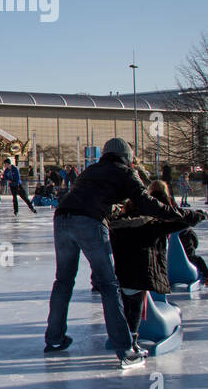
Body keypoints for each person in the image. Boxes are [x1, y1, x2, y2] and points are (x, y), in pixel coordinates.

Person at [43, 138, 169, 360]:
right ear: (127, 157)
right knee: (109, 284)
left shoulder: (91, 170)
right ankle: (125, 348)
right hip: (89, 221)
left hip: (62, 218)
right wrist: (175, 215)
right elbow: (144, 202)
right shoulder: (125, 171)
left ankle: (54, 338)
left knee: (63, 281)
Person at [108, 196, 206, 369]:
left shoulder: (115, 227)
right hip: (140, 276)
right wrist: (198, 215)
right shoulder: (149, 225)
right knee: (135, 311)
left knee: (125, 308)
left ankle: (124, 339)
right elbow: (179, 223)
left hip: (121, 277)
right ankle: (130, 345)